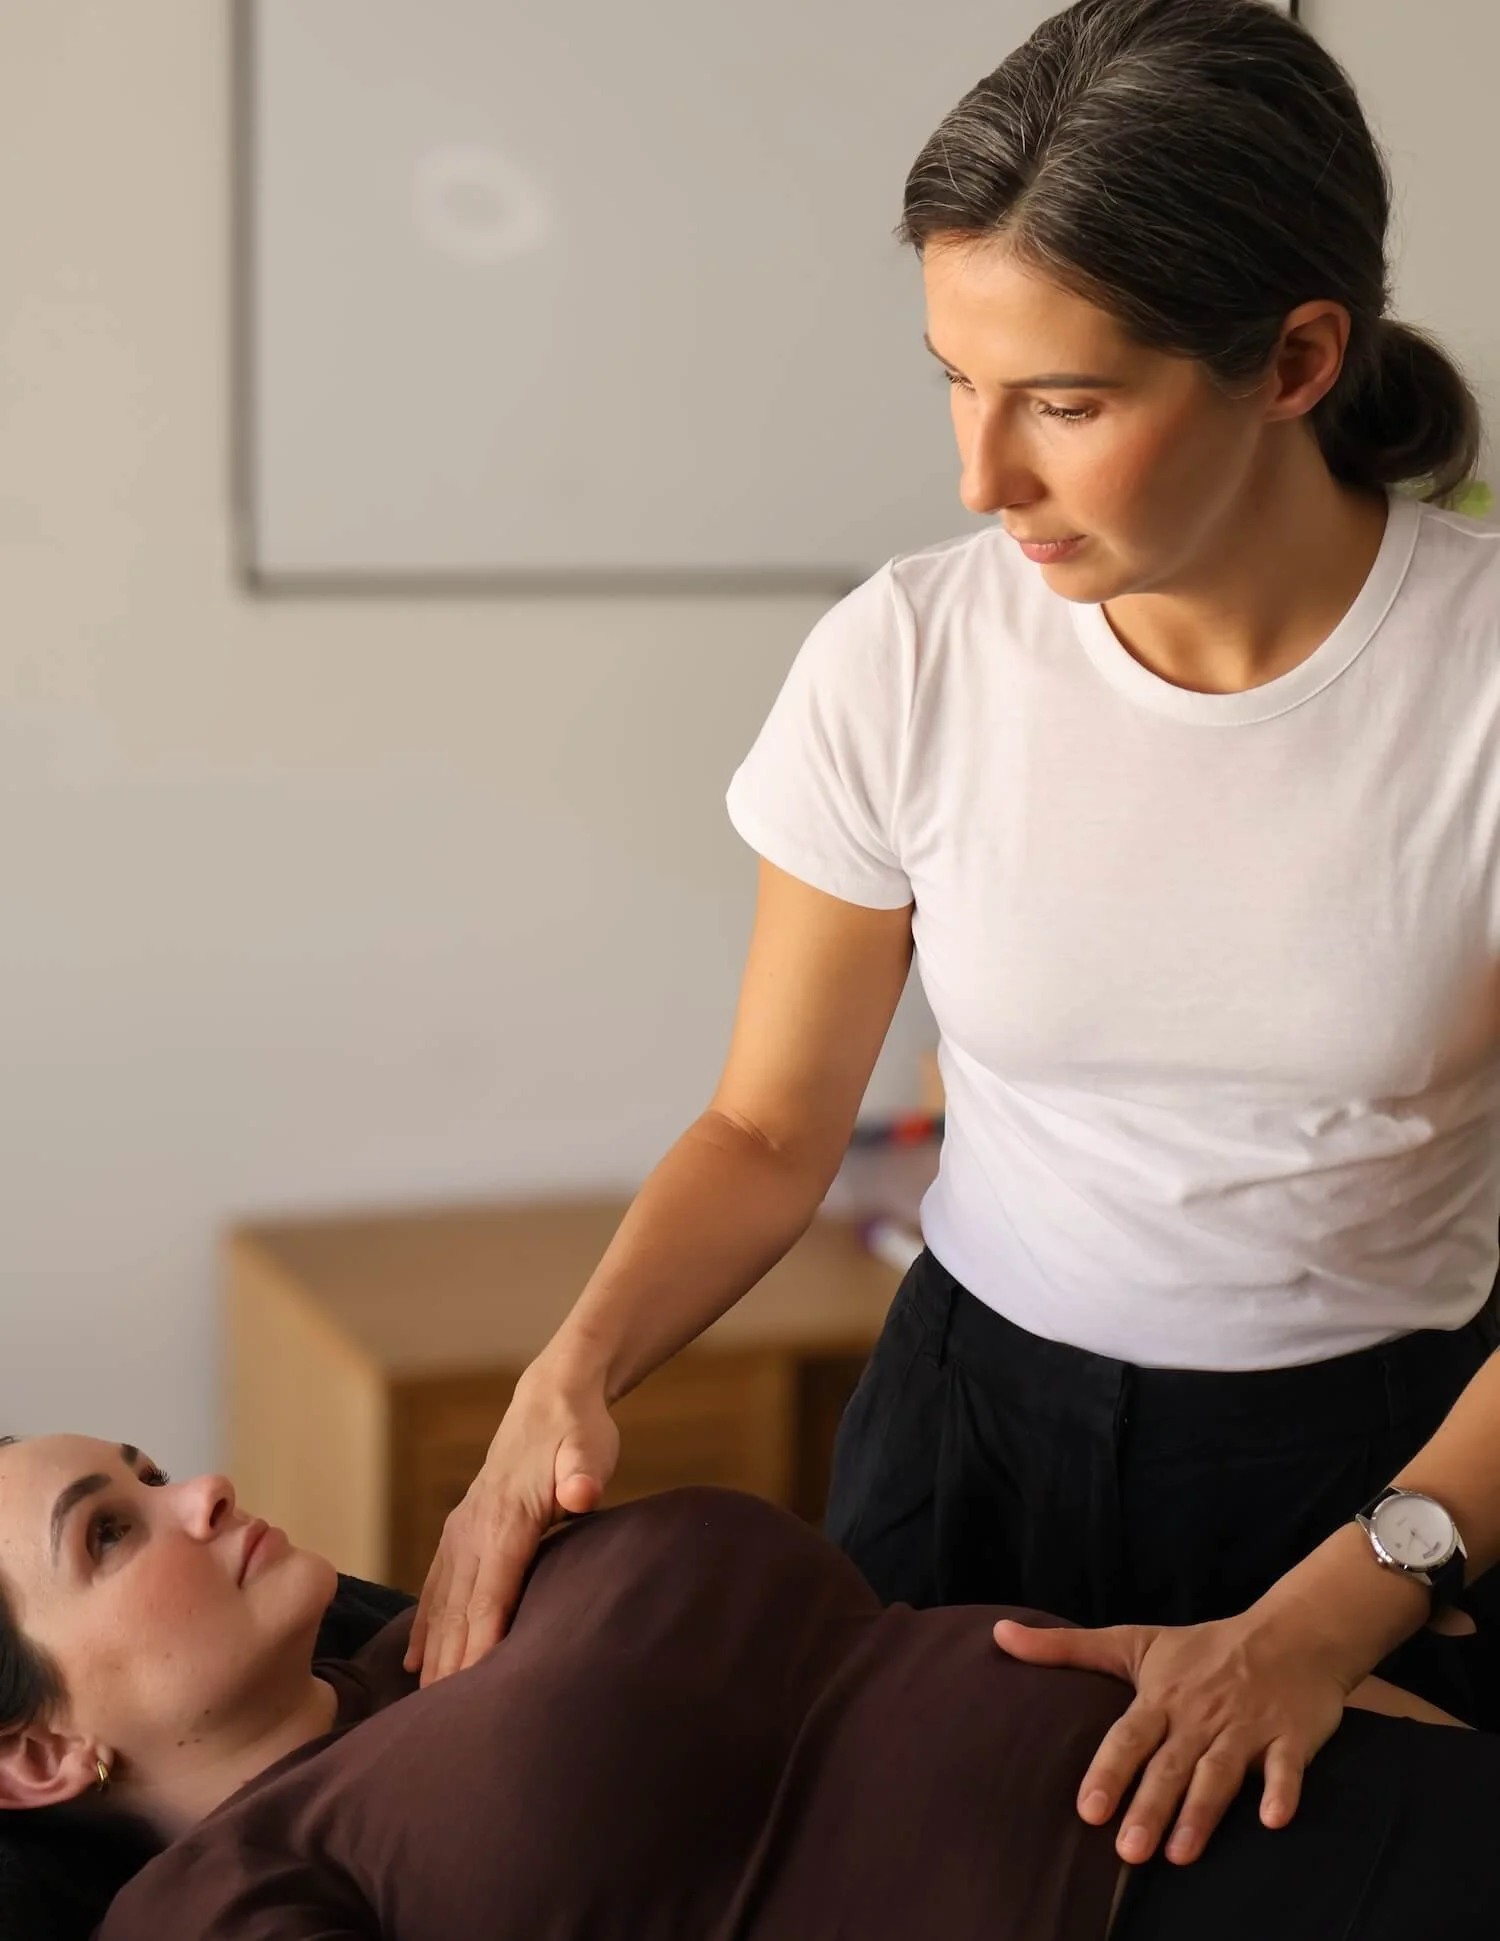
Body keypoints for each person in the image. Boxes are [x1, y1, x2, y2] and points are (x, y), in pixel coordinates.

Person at [404, 0, 1500, 1875]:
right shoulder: (906, 657)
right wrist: (570, 1365)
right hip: (969, 1429)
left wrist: (1352, 1599)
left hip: (1388, 1480)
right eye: (953, 383)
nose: (983, 479)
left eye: (1066, 403)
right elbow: (767, 1132)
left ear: (1299, 356)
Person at [1, 1435, 1496, 1941]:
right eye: (113, 1533)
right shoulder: (221, 1897)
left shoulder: (439, 1626)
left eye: (145, 1465)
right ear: (41, 1756)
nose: (198, 1489)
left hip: (1297, 1767)